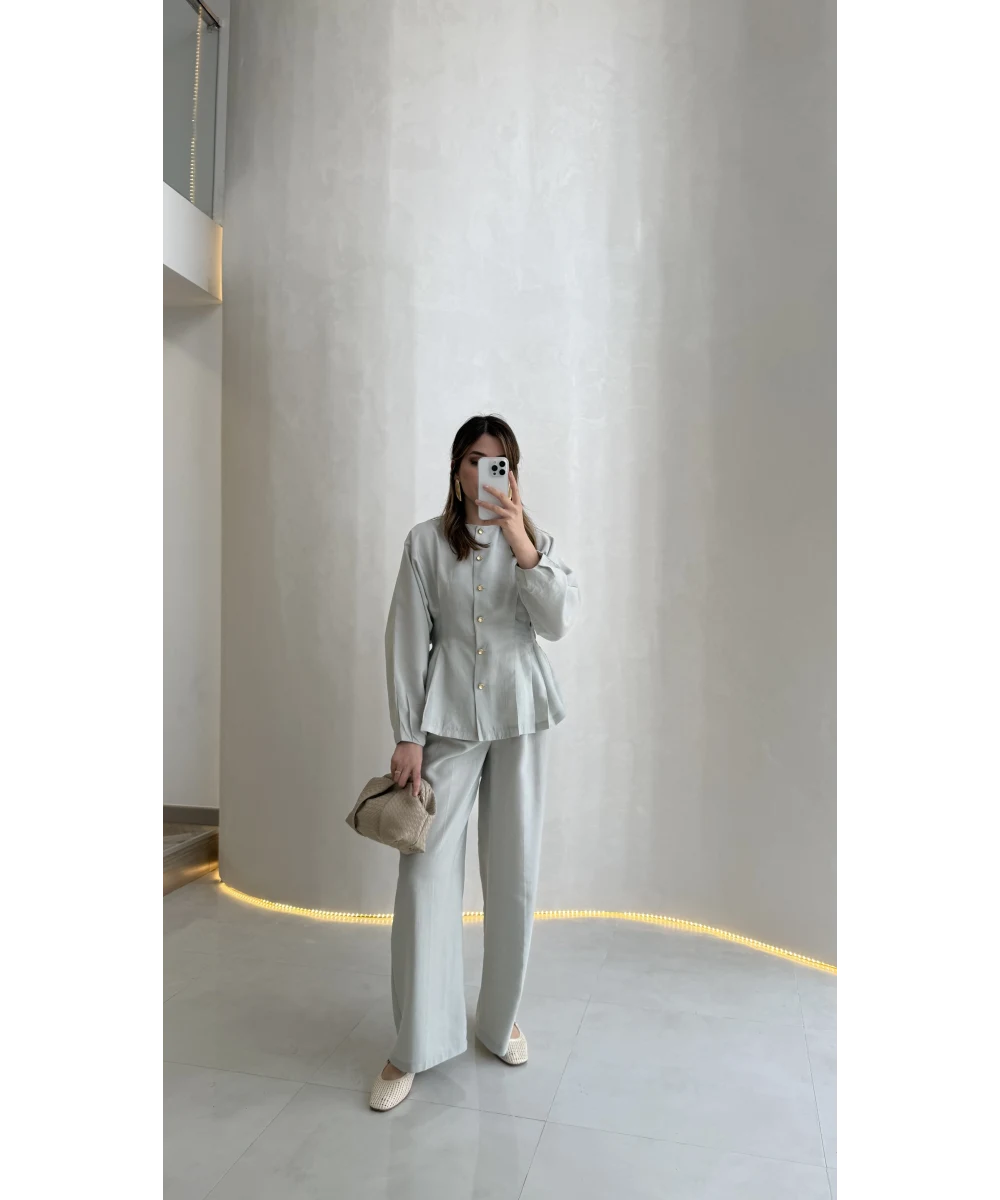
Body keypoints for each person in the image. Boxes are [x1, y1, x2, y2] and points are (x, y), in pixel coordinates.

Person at [369, 413, 580, 1111]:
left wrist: (520, 542)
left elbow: (558, 622)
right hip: (448, 722)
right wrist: (407, 734)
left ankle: (499, 1018)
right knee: (424, 875)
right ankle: (413, 1043)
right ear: (457, 469)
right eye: (475, 461)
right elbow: (407, 639)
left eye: (501, 464)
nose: (487, 473)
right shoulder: (424, 543)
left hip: (521, 715)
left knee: (514, 873)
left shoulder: (534, 540)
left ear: (512, 474)